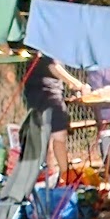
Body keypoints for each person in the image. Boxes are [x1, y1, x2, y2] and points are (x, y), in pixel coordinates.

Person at [20, 58, 69, 186]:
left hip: (35, 94)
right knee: (59, 136)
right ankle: (66, 177)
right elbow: (53, 67)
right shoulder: (51, 49)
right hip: (48, 94)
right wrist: (76, 84)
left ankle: (50, 176)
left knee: (45, 138)